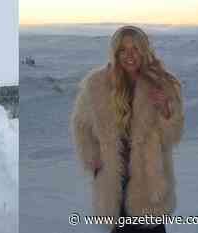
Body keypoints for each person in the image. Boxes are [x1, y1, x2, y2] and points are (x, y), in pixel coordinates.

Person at [71, 26, 184, 233]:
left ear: (144, 50)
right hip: (115, 180)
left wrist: (166, 111)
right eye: (123, 49)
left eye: (135, 49)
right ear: (115, 53)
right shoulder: (97, 85)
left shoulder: (161, 83)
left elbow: (173, 137)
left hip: (148, 181)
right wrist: (92, 157)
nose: (129, 55)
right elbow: (81, 126)